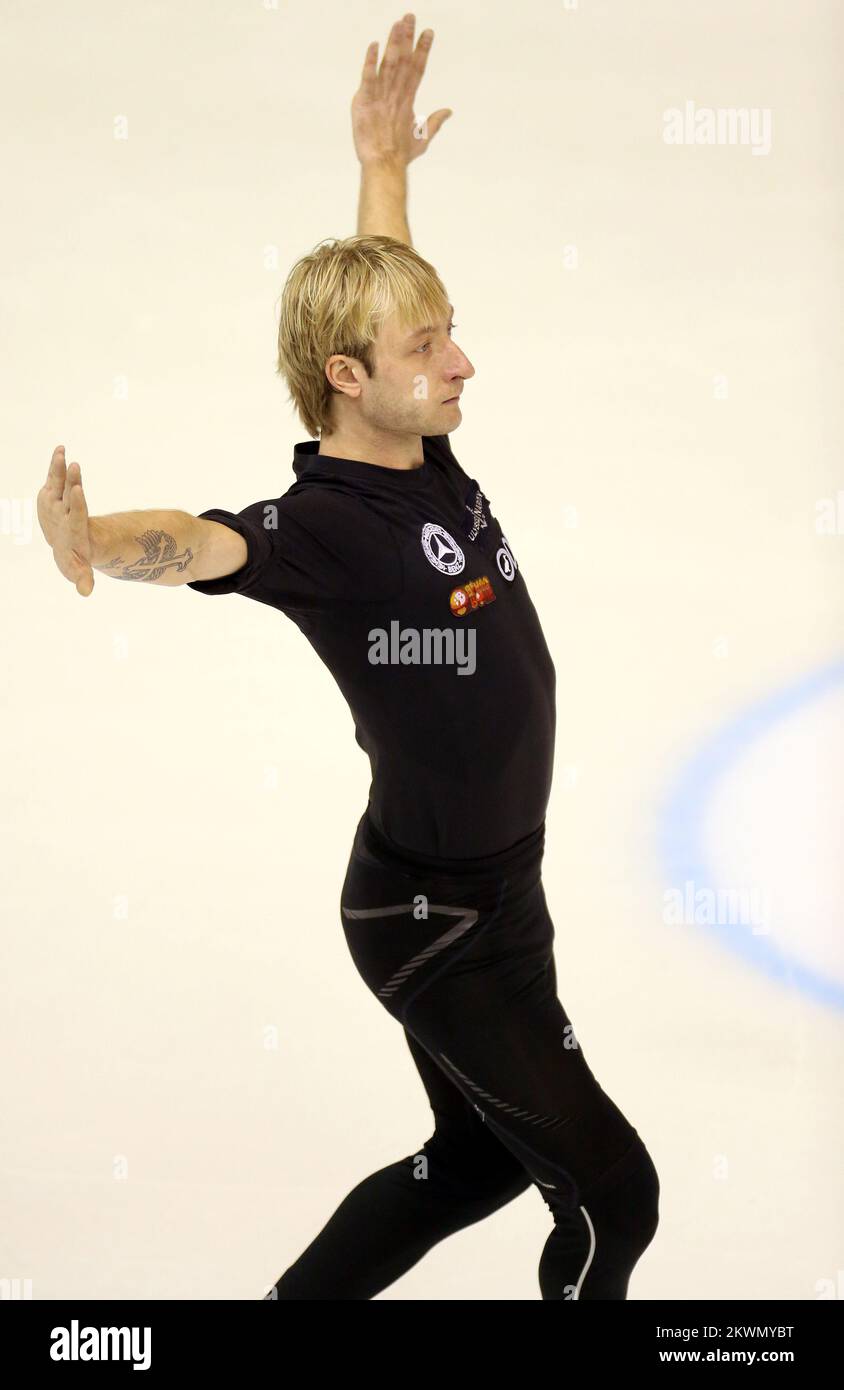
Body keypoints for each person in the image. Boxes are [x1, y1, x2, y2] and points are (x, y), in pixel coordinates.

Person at [38, 13, 659, 1300]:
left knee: (476, 1165)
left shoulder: (419, 444)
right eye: (427, 347)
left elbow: (387, 295)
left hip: (496, 894)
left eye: (448, 331)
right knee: (613, 1195)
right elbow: (200, 540)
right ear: (345, 377)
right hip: (436, 923)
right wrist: (95, 536)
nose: (459, 360)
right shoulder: (323, 528)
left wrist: (385, 168)